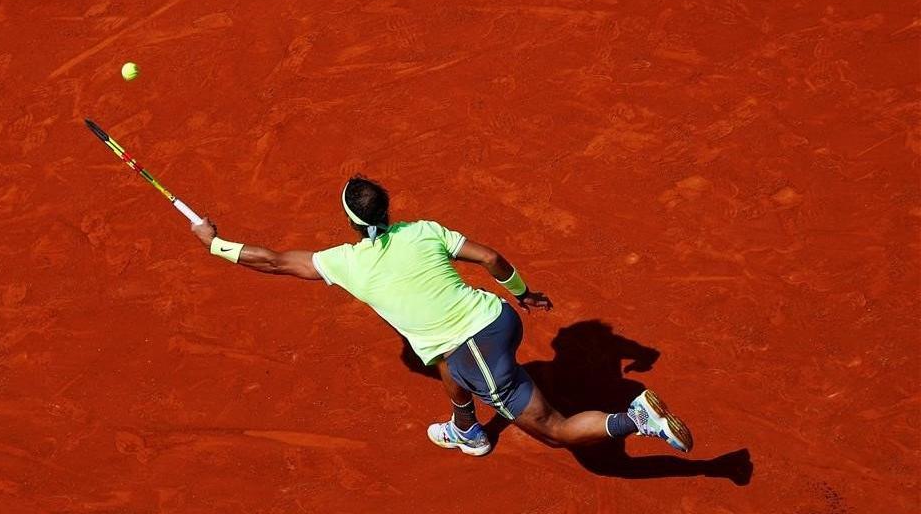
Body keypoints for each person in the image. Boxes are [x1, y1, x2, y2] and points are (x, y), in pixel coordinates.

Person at [189, 175, 692, 457]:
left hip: (476, 347)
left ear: (350, 221)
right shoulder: (423, 230)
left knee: (554, 429)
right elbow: (493, 259)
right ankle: (468, 428)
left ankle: (637, 420)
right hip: (497, 316)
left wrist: (216, 244)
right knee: (440, 354)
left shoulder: (345, 262)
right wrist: (524, 293)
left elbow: (276, 261)